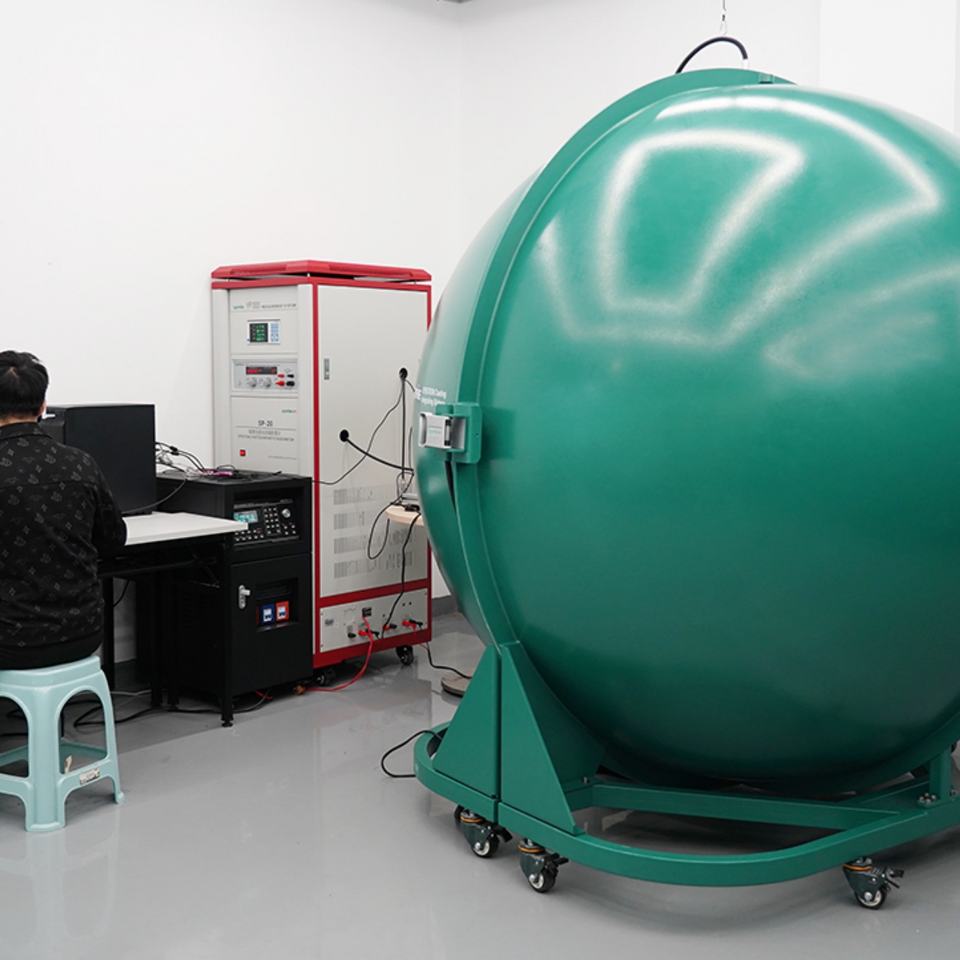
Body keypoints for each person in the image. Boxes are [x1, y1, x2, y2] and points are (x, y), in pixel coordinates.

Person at [0, 351, 127, 668]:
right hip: (82, 633)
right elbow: (113, 540)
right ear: (43, 406)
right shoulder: (81, 462)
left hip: (9, 641)